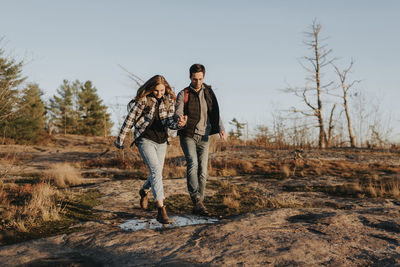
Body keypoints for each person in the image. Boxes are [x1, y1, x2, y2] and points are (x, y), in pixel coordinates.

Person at [114, 75, 187, 224]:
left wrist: (180, 123)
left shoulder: (169, 101)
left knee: (157, 173)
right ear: (151, 89)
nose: (159, 93)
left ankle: (144, 191)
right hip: (145, 140)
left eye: (162, 90)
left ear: (166, 88)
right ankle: (161, 210)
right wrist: (120, 139)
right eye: (156, 91)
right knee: (155, 171)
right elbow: (130, 119)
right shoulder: (144, 101)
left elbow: (170, 123)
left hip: (161, 141)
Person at [175, 64, 226, 216]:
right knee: (193, 163)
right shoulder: (183, 94)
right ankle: (196, 199)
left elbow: (215, 112)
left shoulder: (208, 92)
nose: (197, 82)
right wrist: (179, 119)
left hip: (204, 136)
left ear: (204, 77)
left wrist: (221, 128)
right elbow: (177, 110)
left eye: (200, 79)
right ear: (190, 77)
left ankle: (199, 203)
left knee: (203, 171)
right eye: (194, 79)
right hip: (187, 134)